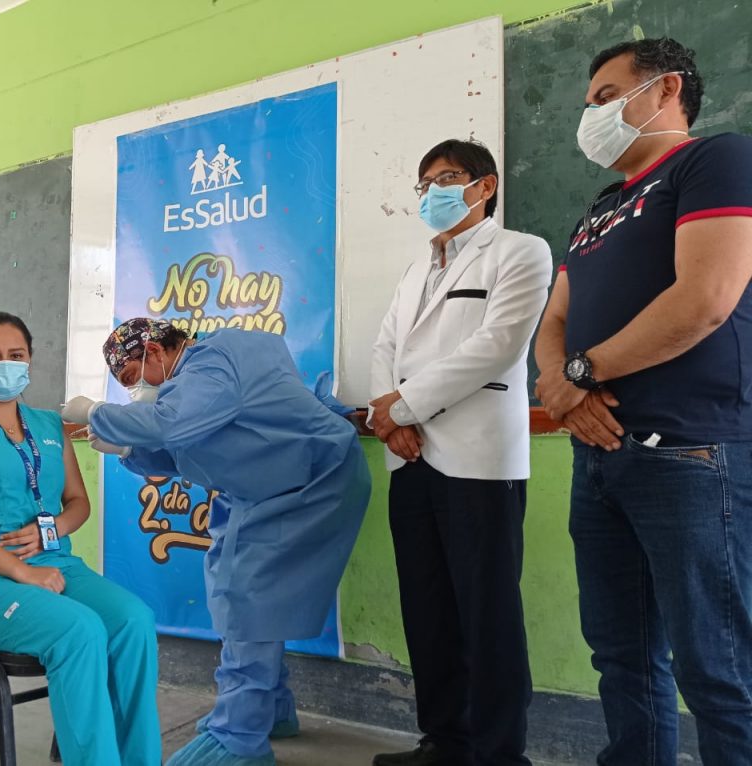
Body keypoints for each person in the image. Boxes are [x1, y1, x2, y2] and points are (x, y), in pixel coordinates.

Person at [534, 37, 752, 764]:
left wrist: (581, 372)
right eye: (588, 102)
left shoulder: (714, 161)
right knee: (621, 657)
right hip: (598, 455)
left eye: (605, 96)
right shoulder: (601, 207)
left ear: (666, 90)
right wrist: (565, 392)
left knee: (719, 668)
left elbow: (706, 298)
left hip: (690, 449)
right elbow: (554, 319)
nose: (591, 115)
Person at [63, 319, 371, 766]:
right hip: (261, 489)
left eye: (132, 378)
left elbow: (173, 423)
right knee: (232, 588)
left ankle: (239, 735)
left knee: (249, 597)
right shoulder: (195, 381)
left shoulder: (219, 358)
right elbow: (187, 448)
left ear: (155, 351)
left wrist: (95, 412)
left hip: (311, 481)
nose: (134, 391)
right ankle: (269, 707)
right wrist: (130, 450)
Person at [369, 139, 552, 766]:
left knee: (488, 612)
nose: (433, 193)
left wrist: (403, 409)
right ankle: (445, 743)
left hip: (477, 460)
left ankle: (499, 754)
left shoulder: (520, 251)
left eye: (447, 178)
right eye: (425, 184)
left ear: (485, 186)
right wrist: (388, 420)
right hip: (411, 458)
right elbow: (385, 348)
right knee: (428, 609)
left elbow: (497, 345)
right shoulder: (415, 269)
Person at [0, 311, 161, 766]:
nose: (4, 364)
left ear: (29, 360)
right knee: (79, 629)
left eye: (15, 355)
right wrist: (21, 571)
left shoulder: (49, 426)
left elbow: (77, 503)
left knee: (134, 621)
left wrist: (52, 531)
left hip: (56, 568)